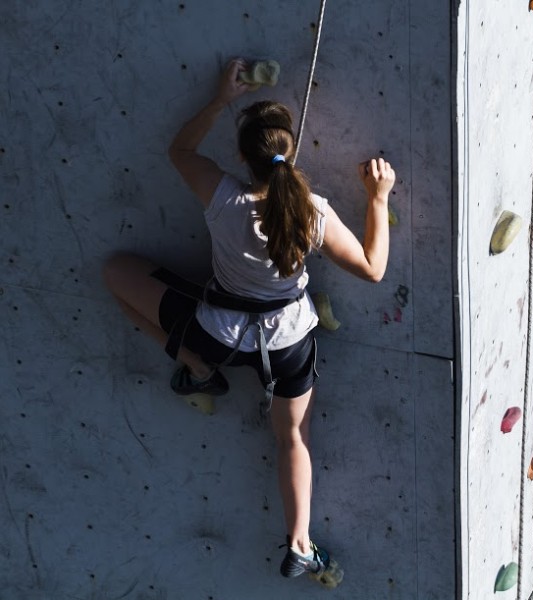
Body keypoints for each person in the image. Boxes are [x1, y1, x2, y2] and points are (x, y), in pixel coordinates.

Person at [103, 58, 395, 579]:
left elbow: (180, 151)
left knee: (118, 274)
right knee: (292, 440)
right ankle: (300, 541)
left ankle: (196, 365)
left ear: (241, 157)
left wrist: (220, 99)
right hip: (288, 346)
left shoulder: (224, 197)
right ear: (292, 152)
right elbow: (374, 269)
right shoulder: (312, 212)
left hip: (219, 335)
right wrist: (377, 198)